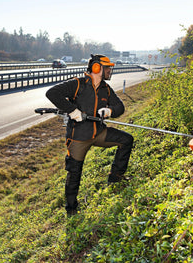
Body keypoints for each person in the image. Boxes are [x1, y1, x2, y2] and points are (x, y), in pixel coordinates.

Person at [46, 54, 134, 216]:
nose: (110, 70)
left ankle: (116, 176)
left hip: (99, 132)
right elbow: (52, 93)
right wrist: (72, 110)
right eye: (107, 67)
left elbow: (120, 107)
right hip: (78, 137)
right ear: (96, 68)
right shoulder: (77, 84)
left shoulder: (106, 89)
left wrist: (109, 111)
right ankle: (71, 208)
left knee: (126, 140)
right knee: (74, 172)